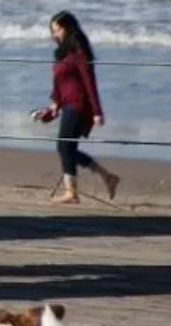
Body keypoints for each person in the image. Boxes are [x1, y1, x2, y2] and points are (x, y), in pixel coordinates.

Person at [33, 10, 119, 204]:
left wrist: (97, 112)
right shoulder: (62, 52)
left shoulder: (79, 51)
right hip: (67, 104)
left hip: (79, 105)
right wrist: (54, 102)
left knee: (64, 147)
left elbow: (89, 82)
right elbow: (59, 82)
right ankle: (107, 177)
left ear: (68, 28)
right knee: (67, 148)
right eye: (52, 31)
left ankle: (72, 193)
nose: (54, 35)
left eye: (57, 30)